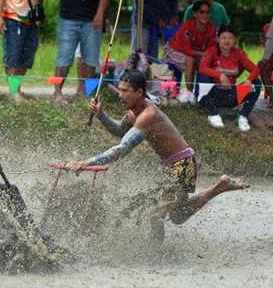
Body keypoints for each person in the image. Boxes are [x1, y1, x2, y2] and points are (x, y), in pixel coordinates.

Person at [51, 68, 249, 240]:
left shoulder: (148, 115)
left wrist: (86, 162)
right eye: (120, 89)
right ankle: (220, 186)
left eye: (125, 91)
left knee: (164, 215)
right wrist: (101, 115)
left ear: (139, 92)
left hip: (183, 164)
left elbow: (121, 149)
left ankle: (219, 187)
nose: (120, 95)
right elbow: (120, 131)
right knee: (169, 215)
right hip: (170, 166)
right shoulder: (132, 113)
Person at [198, 26, 261, 131]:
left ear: (234, 39)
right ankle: (213, 114)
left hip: (231, 95)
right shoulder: (211, 51)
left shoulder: (239, 53)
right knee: (203, 79)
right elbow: (202, 68)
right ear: (218, 39)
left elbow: (256, 69)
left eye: (230, 38)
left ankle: (243, 117)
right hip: (213, 95)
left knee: (256, 82)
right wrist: (220, 75)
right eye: (224, 38)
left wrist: (248, 81)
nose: (227, 41)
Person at [163, 0, 217, 103]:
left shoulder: (211, 28)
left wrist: (205, 56)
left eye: (207, 12)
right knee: (190, 60)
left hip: (195, 52)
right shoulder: (188, 26)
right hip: (173, 49)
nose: (205, 15)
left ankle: (201, 96)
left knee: (205, 62)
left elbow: (210, 49)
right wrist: (204, 54)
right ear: (194, 13)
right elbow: (187, 50)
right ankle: (189, 94)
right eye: (202, 12)